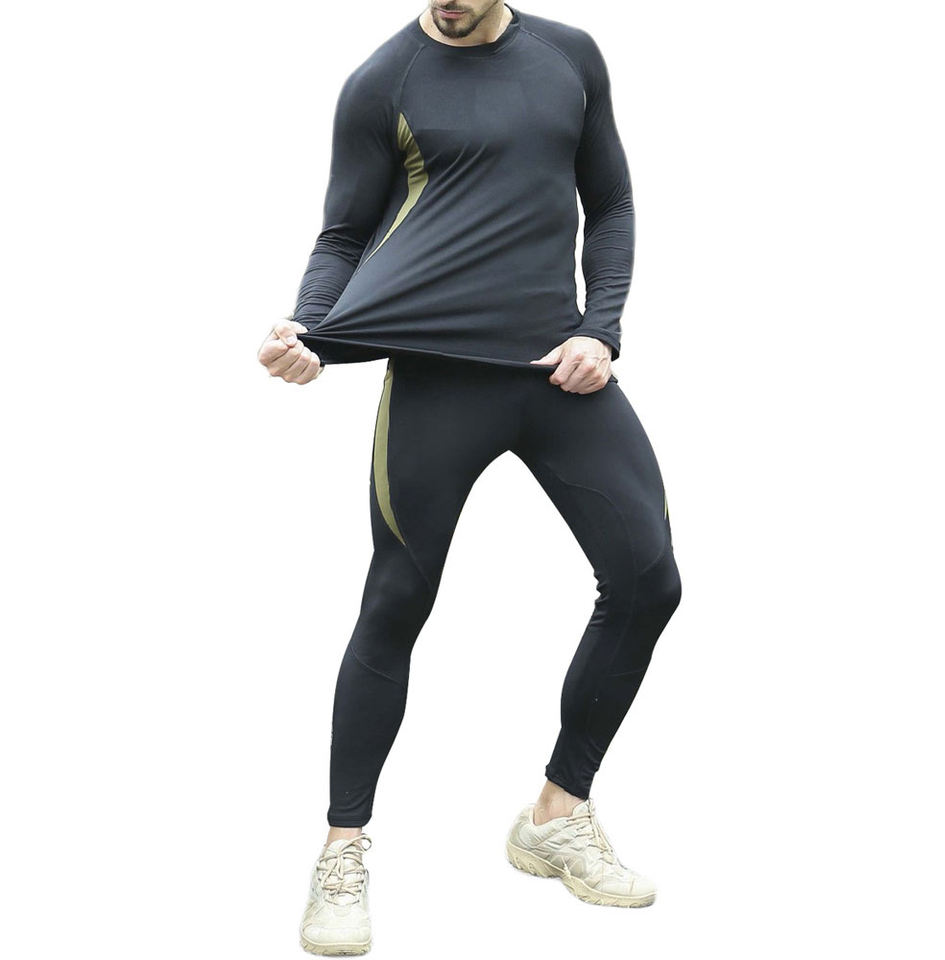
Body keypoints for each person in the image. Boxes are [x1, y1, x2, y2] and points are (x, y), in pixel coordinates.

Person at [258, 3, 681, 954]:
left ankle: (556, 816)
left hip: (557, 371)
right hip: (436, 379)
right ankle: (341, 853)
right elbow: (343, 235)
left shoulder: (570, 57)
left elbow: (611, 203)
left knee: (650, 579)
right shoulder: (384, 82)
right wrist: (308, 327)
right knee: (396, 601)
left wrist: (601, 331)